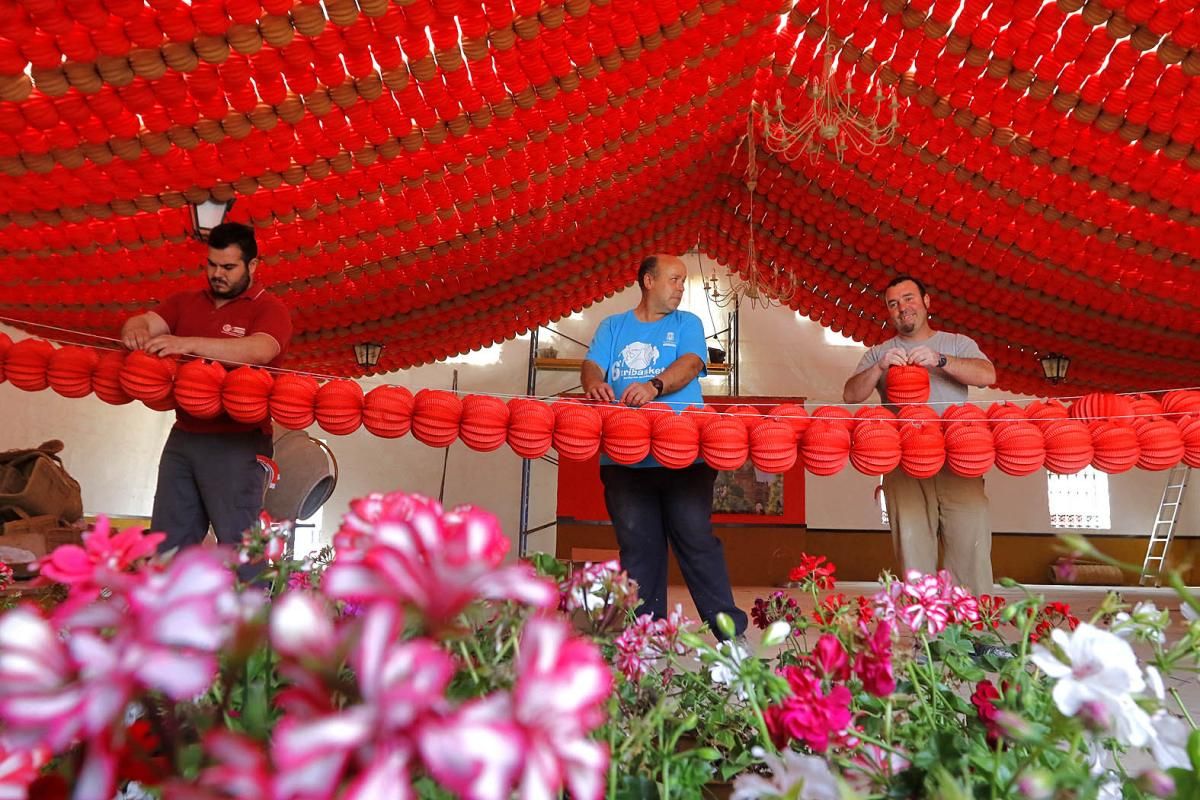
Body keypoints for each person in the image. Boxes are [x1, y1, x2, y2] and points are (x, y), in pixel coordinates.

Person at [582, 254, 747, 639]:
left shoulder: (686, 323)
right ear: (648, 280)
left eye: (683, 281)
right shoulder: (613, 326)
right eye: (674, 279)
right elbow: (592, 365)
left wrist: (654, 386)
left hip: (685, 455)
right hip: (624, 458)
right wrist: (593, 383)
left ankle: (727, 629)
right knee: (638, 547)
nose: (679, 288)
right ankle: (644, 632)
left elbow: (691, 363)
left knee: (695, 538)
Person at [121, 222, 292, 571]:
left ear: (253, 266)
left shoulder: (269, 309)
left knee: (241, 546)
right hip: (184, 436)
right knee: (167, 543)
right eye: (212, 265)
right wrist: (135, 331)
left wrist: (188, 344)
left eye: (228, 267)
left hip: (239, 442)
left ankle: (252, 622)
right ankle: (166, 620)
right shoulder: (184, 302)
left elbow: (260, 350)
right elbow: (142, 321)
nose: (217, 274)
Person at [843, 275, 997, 594]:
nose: (903, 308)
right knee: (914, 558)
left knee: (971, 550)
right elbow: (850, 395)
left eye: (909, 298)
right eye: (894, 304)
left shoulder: (957, 344)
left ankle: (978, 638)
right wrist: (879, 368)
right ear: (888, 312)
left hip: (958, 461)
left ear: (926, 302)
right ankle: (925, 639)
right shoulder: (879, 353)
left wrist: (939, 360)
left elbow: (987, 374)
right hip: (904, 465)